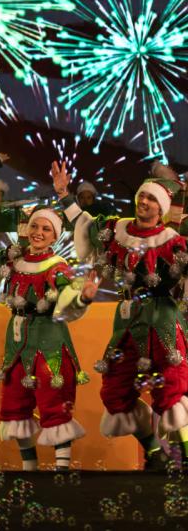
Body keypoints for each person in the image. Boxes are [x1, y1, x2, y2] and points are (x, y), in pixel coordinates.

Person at [52, 161, 188, 470]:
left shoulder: (172, 240)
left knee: (172, 387)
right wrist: (63, 194)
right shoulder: (117, 230)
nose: (144, 201)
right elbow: (84, 223)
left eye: (152, 198)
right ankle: (155, 453)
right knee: (114, 390)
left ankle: (186, 454)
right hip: (127, 321)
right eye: (142, 196)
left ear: (162, 208)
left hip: (164, 321)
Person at [0, 207, 97, 470]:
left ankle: (61, 468)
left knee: (54, 401)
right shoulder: (14, 260)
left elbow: (68, 296)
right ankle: (30, 468)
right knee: (13, 403)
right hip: (17, 342)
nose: (38, 233)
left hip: (49, 343)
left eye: (46, 229)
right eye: (35, 226)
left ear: (55, 236)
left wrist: (83, 297)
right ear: (27, 229)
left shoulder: (57, 266)